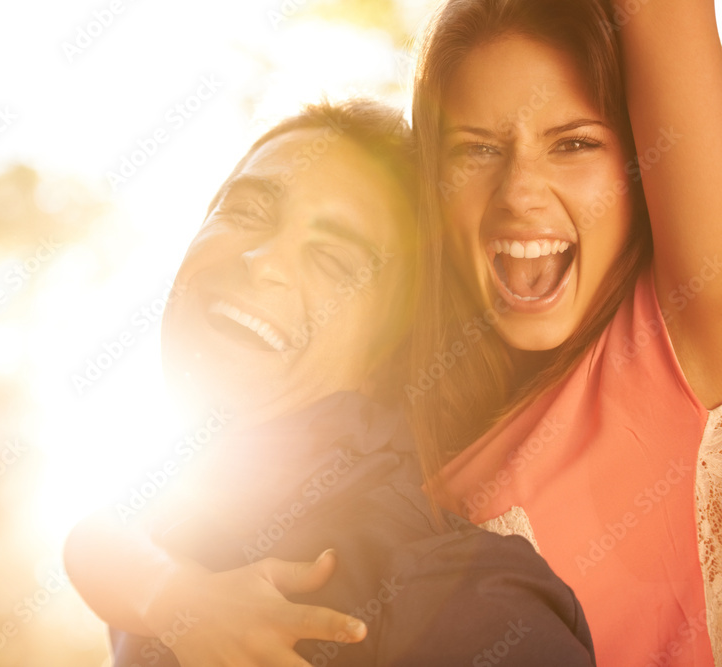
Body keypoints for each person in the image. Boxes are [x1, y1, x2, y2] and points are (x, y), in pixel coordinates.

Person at [65, 100, 596, 665]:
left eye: (335, 261)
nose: (264, 261)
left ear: (387, 357)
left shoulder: (454, 594)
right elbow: (96, 536)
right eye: (246, 211)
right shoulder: (175, 519)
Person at [405, 0, 722, 663]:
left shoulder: (681, 339)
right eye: (479, 150)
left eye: (574, 143)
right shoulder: (403, 458)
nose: (518, 190)